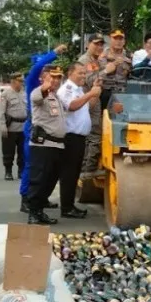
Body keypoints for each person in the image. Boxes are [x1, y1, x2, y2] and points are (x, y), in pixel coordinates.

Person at [20, 44, 66, 213]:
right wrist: (54, 53)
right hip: (36, 130)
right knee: (33, 167)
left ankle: (40, 200)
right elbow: (38, 67)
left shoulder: (54, 91)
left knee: (47, 172)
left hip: (51, 136)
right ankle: (26, 199)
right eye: (48, 71)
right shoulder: (34, 82)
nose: (52, 76)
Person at [57, 62, 101, 219]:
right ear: (70, 74)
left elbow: (87, 107)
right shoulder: (67, 89)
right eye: (80, 73)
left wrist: (94, 94)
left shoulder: (79, 90)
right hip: (70, 137)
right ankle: (66, 208)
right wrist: (90, 94)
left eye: (84, 73)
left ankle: (70, 205)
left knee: (75, 173)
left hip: (80, 137)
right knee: (68, 173)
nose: (83, 76)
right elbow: (71, 106)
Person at [27, 66, 66, 225]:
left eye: (58, 78)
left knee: (50, 180)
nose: (56, 80)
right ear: (43, 78)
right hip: (43, 145)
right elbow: (37, 98)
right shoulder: (38, 92)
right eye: (52, 77)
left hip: (57, 145)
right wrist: (45, 86)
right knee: (39, 179)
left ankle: (40, 210)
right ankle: (33, 212)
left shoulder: (56, 97)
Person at [78, 33, 106, 179]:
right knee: (93, 134)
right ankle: (87, 170)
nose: (99, 47)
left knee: (92, 134)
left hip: (94, 97)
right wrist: (106, 71)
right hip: (88, 98)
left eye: (101, 44)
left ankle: (87, 168)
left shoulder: (96, 60)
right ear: (88, 44)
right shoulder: (84, 60)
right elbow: (89, 80)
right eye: (96, 43)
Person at [0, 72, 27, 181]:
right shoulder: (6, 94)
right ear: (13, 81)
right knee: (8, 151)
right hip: (11, 127)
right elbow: (1, 112)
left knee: (23, 151)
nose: (21, 83)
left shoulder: (25, 94)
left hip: (23, 127)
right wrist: (3, 127)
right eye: (20, 81)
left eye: (22, 81)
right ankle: (8, 171)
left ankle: (21, 171)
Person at [99, 29, 132, 110]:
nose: (118, 41)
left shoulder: (129, 55)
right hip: (106, 91)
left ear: (124, 41)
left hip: (123, 92)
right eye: (115, 38)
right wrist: (114, 63)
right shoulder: (103, 54)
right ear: (110, 40)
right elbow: (98, 73)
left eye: (121, 39)